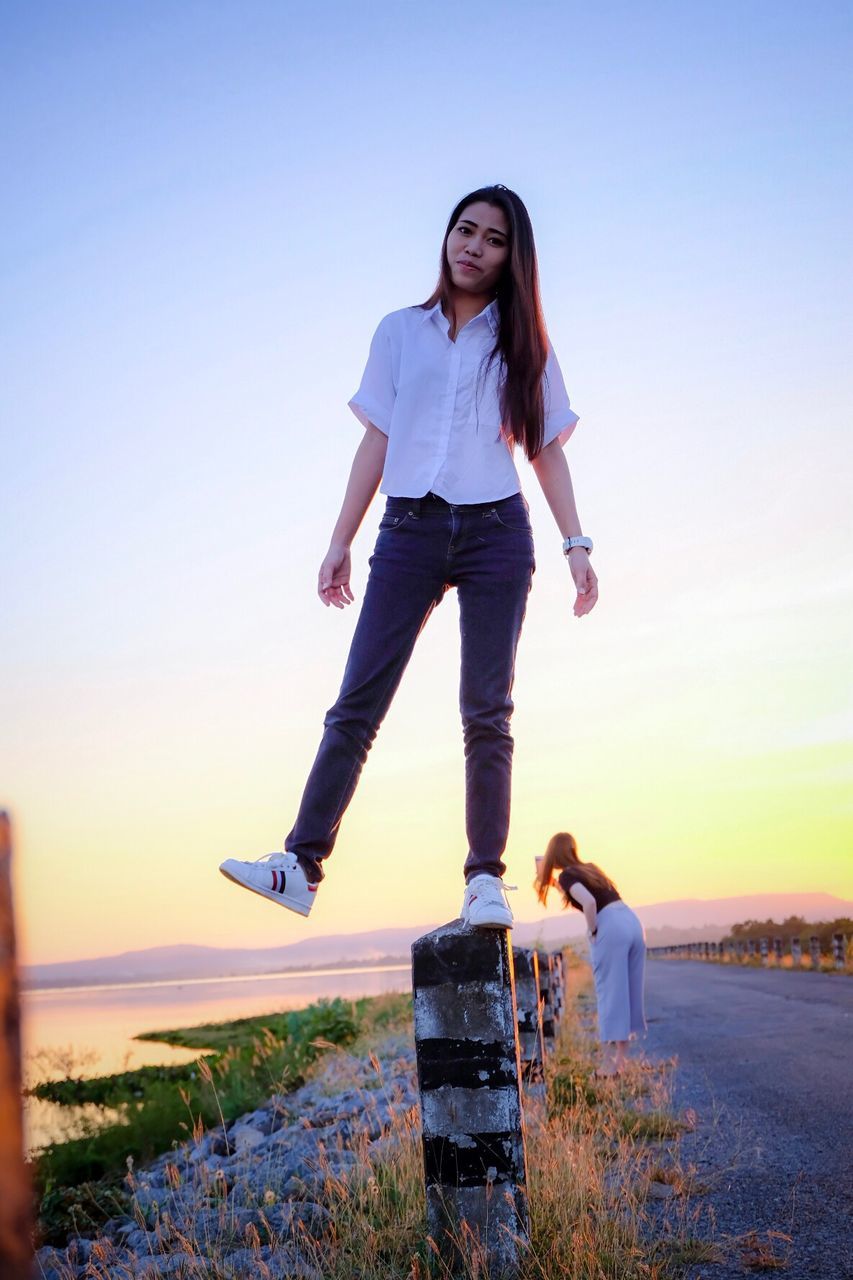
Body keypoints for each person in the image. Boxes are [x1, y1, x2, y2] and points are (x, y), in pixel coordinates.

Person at [220, 185, 598, 929]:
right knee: (356, 703)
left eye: (493, 239)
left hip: (497, 533)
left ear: (511, 258)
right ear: (447, 236)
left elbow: (545, 452)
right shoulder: (400, 331)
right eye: (465, 230)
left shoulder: (525, 347)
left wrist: (575, 545)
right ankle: (299, 864)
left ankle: (485, 881)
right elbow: (376, 440)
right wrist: (340, 540)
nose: (473, 246)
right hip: (407, 531)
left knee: (486, 712)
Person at [534, 832, 646, 1075]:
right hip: (631, 921)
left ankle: (608, 1065)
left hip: (610, 926)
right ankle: (619, 1061)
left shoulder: (567, 875)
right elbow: (588, 893)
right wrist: (552, 882)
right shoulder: (588, 869)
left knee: (609, 993)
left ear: (553, 853)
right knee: (627, 992)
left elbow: (589, 903)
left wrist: (593, 930)